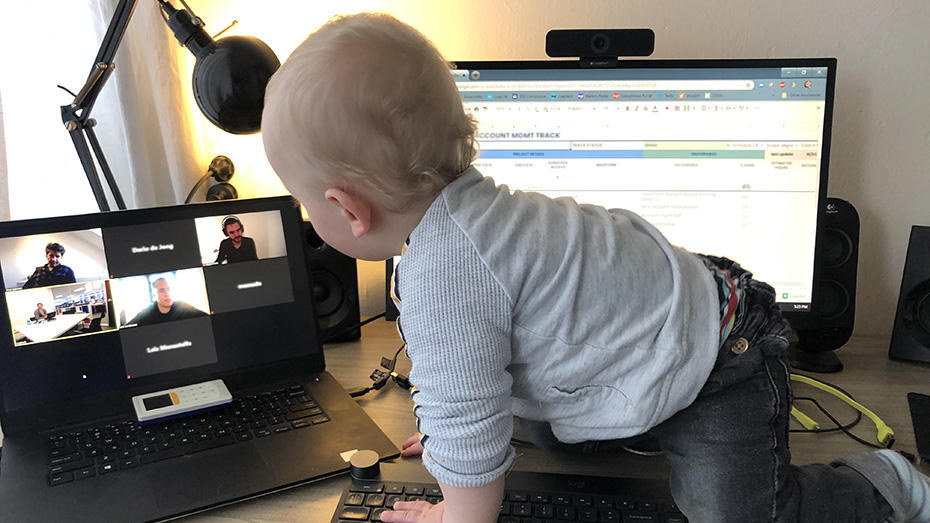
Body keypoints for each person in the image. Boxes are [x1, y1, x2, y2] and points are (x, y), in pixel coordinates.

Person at [261, 13, 930, 523]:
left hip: (720, 356)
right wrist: (451, 424)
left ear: (347, 210)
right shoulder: (470, 210)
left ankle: (882, 483)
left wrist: (453, 498)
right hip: (666, 314)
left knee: (738, 513)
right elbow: (478, 372)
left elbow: (470, 454)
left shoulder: (448, 271)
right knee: (552, 432)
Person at [128, 276, 206, 326]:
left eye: (168, 289)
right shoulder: (145, 314)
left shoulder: (182, 307)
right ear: (154, 295)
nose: (167, 294)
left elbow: (206, 319)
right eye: (161, 291)